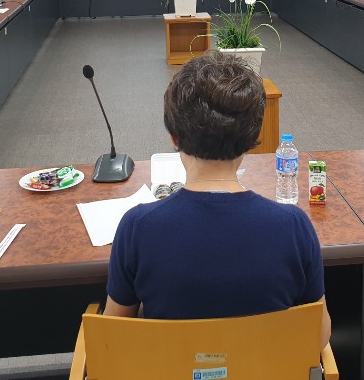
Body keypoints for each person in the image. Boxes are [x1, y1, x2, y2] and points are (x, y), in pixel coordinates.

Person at [105, 52, 331, 352]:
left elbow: (115, 340)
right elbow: (318, 336)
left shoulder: (137, 227)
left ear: (174, 137)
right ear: (253, 136)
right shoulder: (294, 226)